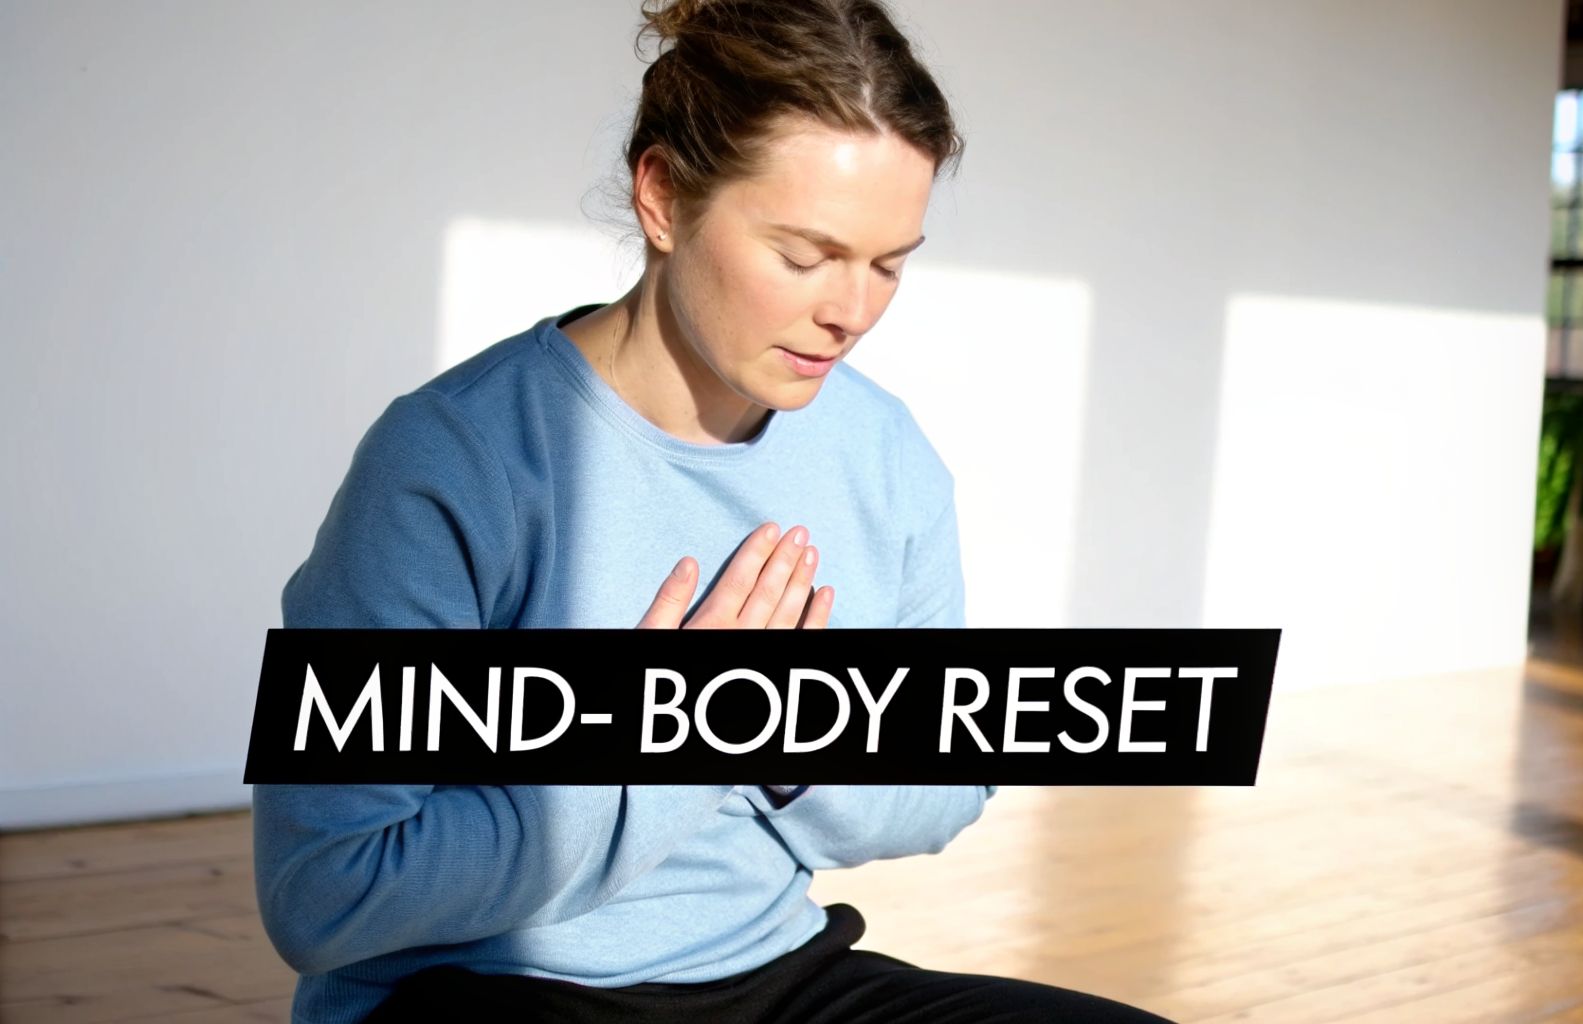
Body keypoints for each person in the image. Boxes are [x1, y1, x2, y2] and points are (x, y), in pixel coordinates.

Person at [251, 1, 1176, 1021]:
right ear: (663, 197)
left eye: (888, 262)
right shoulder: (453, 461)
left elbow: (941, 790)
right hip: (484, 987)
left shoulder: (881, 452)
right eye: (803, 254)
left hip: (770, 975)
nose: (851, 312)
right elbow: (327, 893)